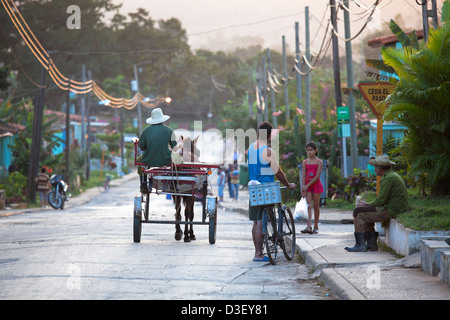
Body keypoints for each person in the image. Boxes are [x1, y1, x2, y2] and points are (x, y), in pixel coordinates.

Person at [248, 121, 297, 262]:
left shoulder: (251, 148)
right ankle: (259, 254)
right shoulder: (268, 151)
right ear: (269, 136)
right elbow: (278, 173)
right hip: (266, 188)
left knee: (256, 222)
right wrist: (288, 185)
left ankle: (258, 252)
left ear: (258, 133)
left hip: (253, 188)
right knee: (263, 220)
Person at [345, 155, 410, 252]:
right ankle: (371, 244)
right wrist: (367, 204)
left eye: (375, 167)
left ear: (380, 168)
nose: (374, 169)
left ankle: (360, 245)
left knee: (358, 212)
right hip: (395, 208)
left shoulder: (388, 178)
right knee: (364, 212)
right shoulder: (391, 175)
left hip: (391, 210)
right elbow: (382, 200)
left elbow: (381, 201)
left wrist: (366, 204)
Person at [138, 108, 177, 192]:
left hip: (148, 160)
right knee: (177, 161)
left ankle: (143, 183)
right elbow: (174, 147)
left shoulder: (146, 130)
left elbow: (142, 147)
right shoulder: (169, 130)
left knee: (138, 160)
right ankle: (175, 182)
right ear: (162, 119)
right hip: (166, 160)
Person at [300, 141, 324, 234]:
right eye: (308, 150)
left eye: (311, 150)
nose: (310, 152)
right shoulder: (305, 162)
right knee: (308, 206)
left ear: (315, 150)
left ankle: (316, 226)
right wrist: (303, 187)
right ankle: (308, 225)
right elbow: (303, 175)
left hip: (316, 186)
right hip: (307, 187)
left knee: (316, 206)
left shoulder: (319, 162)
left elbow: (317, 176)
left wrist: (307, 185)